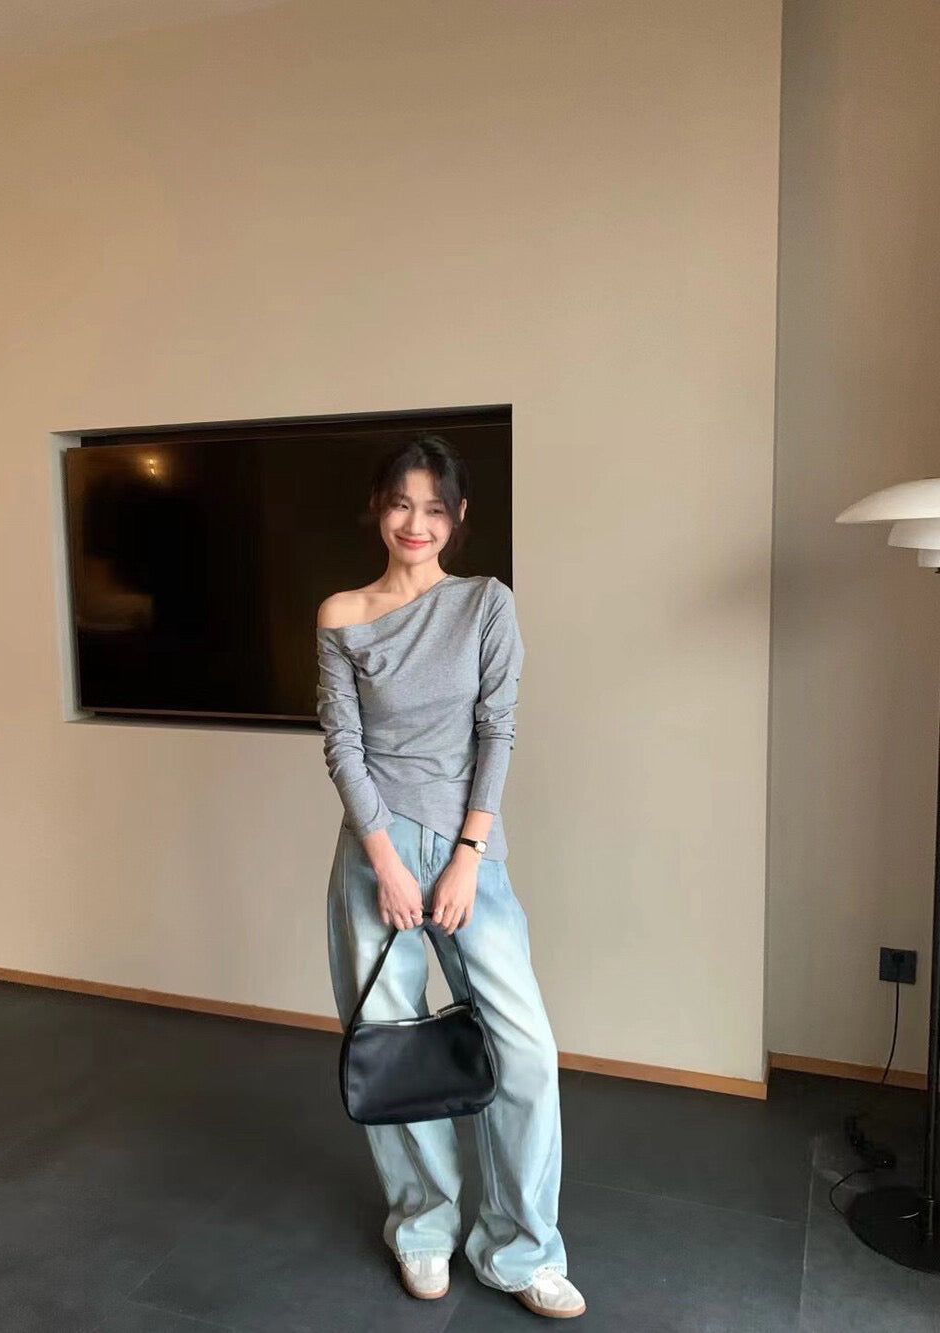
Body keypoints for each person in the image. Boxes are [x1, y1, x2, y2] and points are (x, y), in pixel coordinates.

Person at [315, 432, 586, 1320]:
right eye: (401, 502)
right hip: (375, 855)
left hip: (469, 854)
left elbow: (497, 730)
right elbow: (345, 747)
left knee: (525, 1051)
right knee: (393, 1047)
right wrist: (386, 861)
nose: (416, 522)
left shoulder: (485, 604)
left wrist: (468, 855)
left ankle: (521, 1247)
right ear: (378, 507)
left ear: (459, 515)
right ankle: (423, 1226)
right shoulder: (342, 613)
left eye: (434, 507)